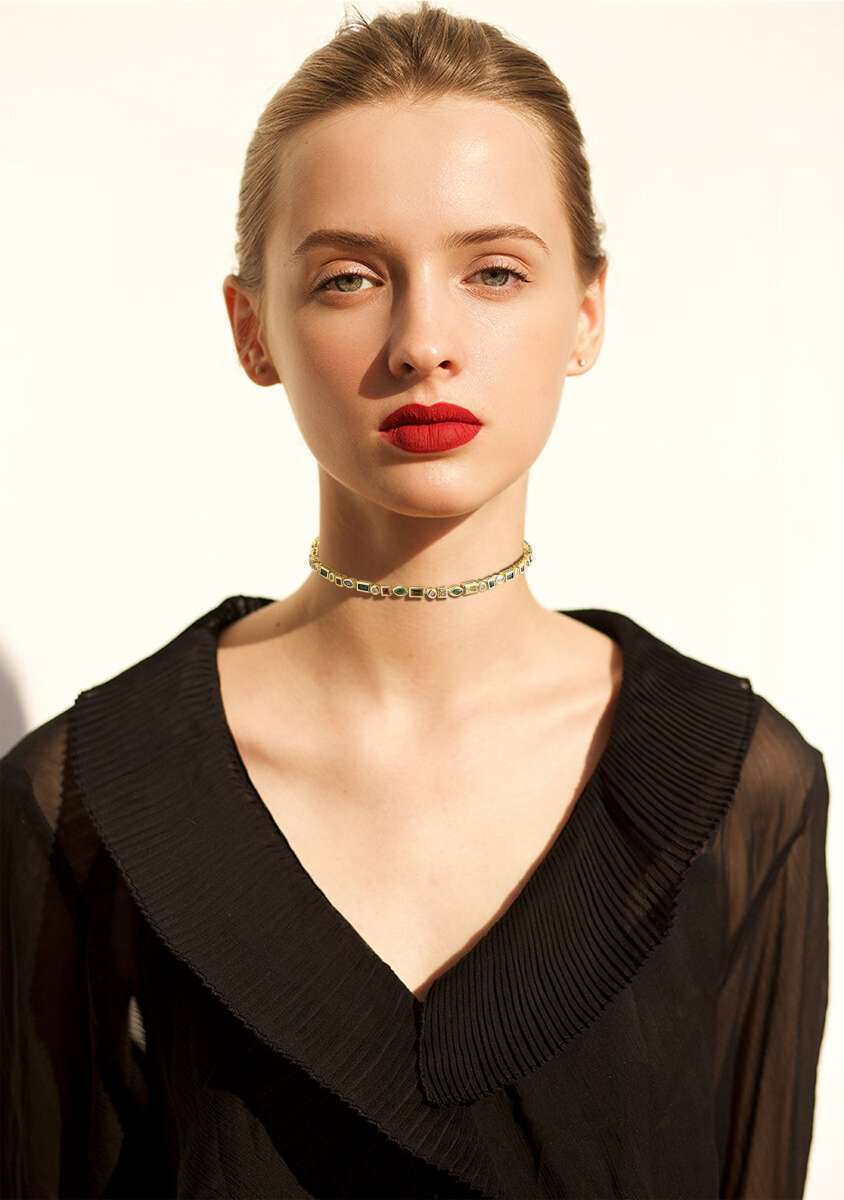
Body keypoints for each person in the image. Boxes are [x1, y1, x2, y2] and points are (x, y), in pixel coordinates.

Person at [0, 3, 829, 1198]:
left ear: (586, 310)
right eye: (348, 278)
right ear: (252, 328)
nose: (423, 343)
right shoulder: (90, 796)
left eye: (493, 272)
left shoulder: (738, 788)